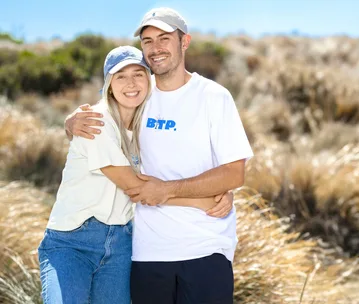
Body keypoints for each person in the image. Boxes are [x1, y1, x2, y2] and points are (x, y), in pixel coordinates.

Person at [65, 7, 253, 304]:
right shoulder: (137, 94)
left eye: (164, 38)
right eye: (148, 41)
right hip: (146, 254)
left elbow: (234, 173)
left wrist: (168, 190)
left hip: (206, 248)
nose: (156, 48)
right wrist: (71, 122)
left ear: (184, 42)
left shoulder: (213, 97)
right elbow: (100, 120)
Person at [39, 45, 223, 304]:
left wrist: (220, 192)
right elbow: (136, 187)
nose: (131, 83)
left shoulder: (149, 125)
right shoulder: (96, 122)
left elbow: (182, 163)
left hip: (121, 247)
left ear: (149, 81)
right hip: (72, 244)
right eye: (121, 76)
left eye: (138, 74)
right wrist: (203, 201)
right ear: (109, 85)